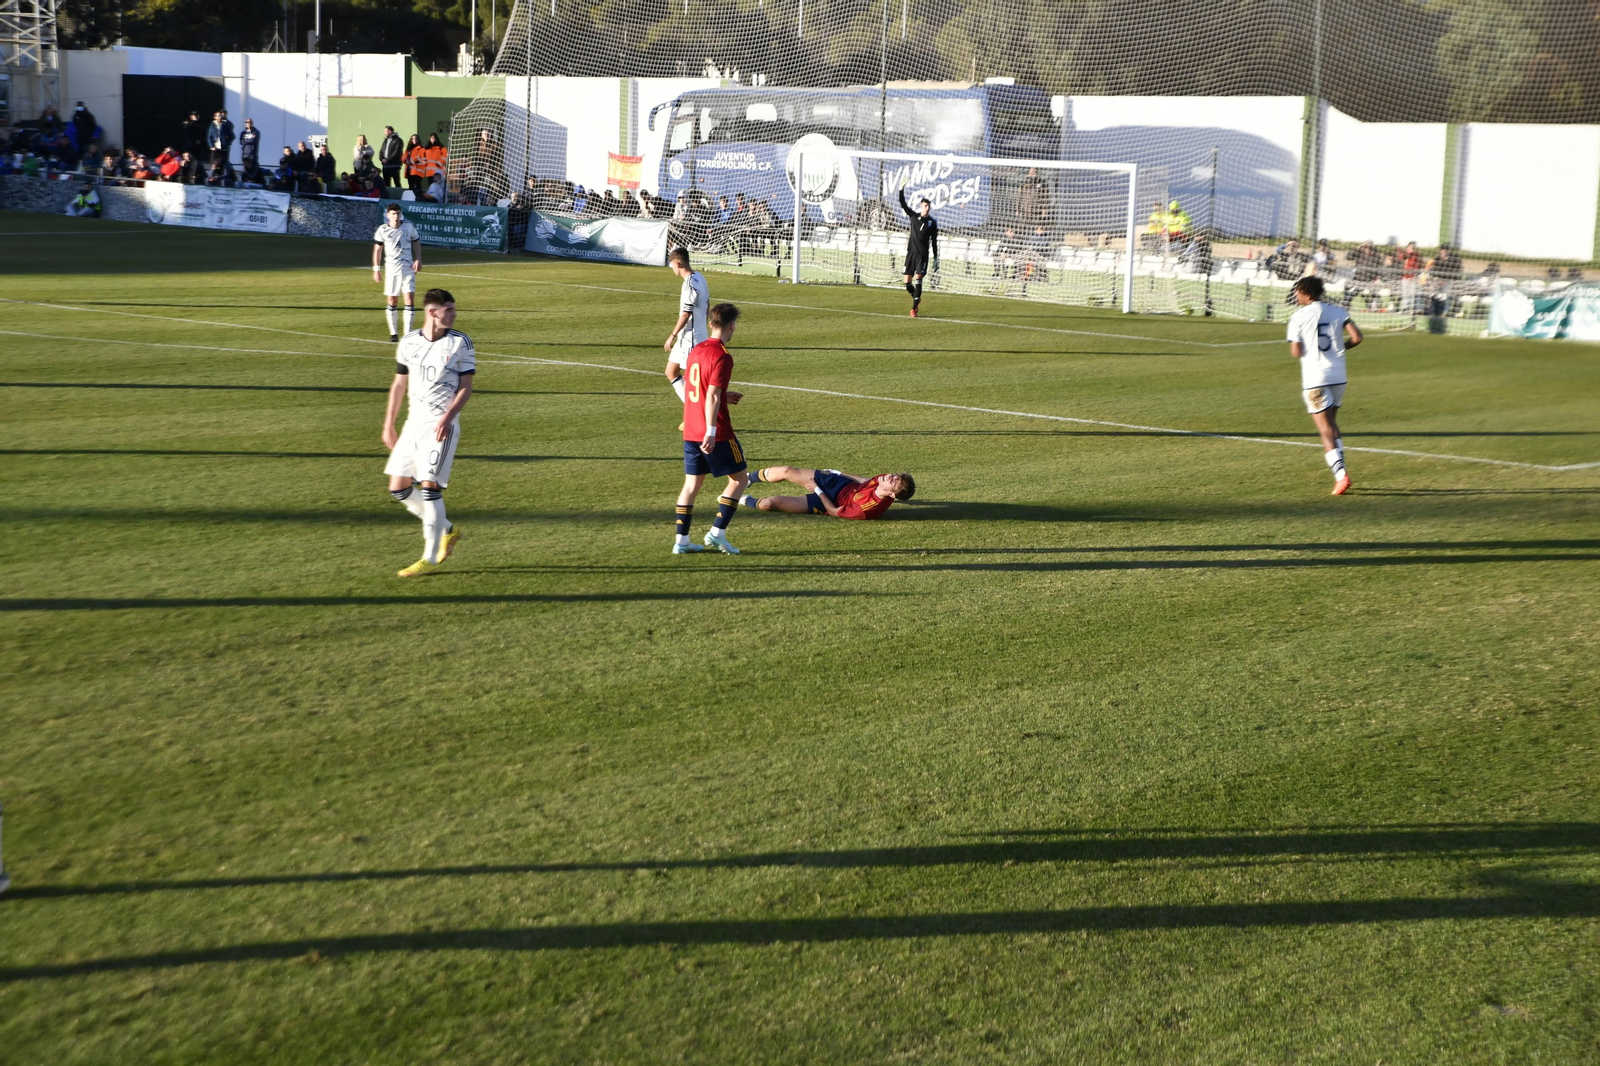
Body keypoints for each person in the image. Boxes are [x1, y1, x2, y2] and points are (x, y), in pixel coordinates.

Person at [382, 288, 474, 577]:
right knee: (399, 488)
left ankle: (431, 558)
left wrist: (448, 417)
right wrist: (389, 423)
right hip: (413, 424)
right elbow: (399, 384)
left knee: (430, 487)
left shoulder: (460, 343)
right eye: (449, 310)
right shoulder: (409, 342)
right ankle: (446, 528)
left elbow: (466, 388)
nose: (455, 314)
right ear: (433, 312)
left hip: (440, 425)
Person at [674, 303, 748, 555]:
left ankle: (681, 542)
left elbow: (697, 388)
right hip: (715, 433)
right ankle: (717, 533)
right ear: (731, 325)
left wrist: (724, 396)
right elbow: (713, 395)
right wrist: (712, 431)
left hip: (690, 430)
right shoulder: (723, 356)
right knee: (740, 479)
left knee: (690, 486)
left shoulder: (697, 350)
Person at [1286, 275, 1363, 495]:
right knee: (1332, 425)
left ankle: (1341, 476)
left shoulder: (1298, 316)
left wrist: (1304, 347)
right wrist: (1340, 348)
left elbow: (1296, 352)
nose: (1296, 295)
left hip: (1315, 379)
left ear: (1306, 293)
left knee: (1325, 429)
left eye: (1298, 291)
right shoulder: (1339, 311)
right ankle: (1342, 471)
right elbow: (1357, 337)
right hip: (1338, 375)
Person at [739, 466, 914, 519]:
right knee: (786, 471)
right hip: (839, 484)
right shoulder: (884, 480)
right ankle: (747, 478)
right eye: (894, 476)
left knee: (770, 503)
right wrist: (838, 473)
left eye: (894, 481)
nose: (890, 476)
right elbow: (863, 480)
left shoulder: (865, 508)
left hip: (829, 502)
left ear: (891, 495)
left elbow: (834, 512)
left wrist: (817, 490)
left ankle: (742, 500)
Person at [663, 246, 711, 410]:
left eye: (672, 266)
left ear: (677, 263)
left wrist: (672, 335)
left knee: (694, 380)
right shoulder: (700, 277)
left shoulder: (689, 284)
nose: (672, 269)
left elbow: (686, 314)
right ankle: (693, 411)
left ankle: (700, 415)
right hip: (693, 334)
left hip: (691, 338)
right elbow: (707, 303)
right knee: (671, 371)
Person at [374, 203, 423, 341]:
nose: (396, 216)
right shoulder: (382, 230)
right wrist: (376, 270)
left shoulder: (408, 227)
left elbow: (416, 242)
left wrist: (418, 259)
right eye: (393, 214)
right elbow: (377, 250)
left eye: (398, 213)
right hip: (391, 270)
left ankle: (407, 335)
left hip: (408, 269)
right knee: (392, 300)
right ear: (388, 215)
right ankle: (394, 333)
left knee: (409, 299)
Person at [897, 184, 939, 317]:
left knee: (918, 277)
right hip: (911, 253)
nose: (927, 208)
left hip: (922, 255)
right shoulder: (914, 217)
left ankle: (914, 308)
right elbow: (903, 204)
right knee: (907, 283)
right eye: (925, 206)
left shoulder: (932, 223)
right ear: (921, 206)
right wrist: (900, 189)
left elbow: (934, 241)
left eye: (929, 206)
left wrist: (936, 257)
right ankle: (916, 297)